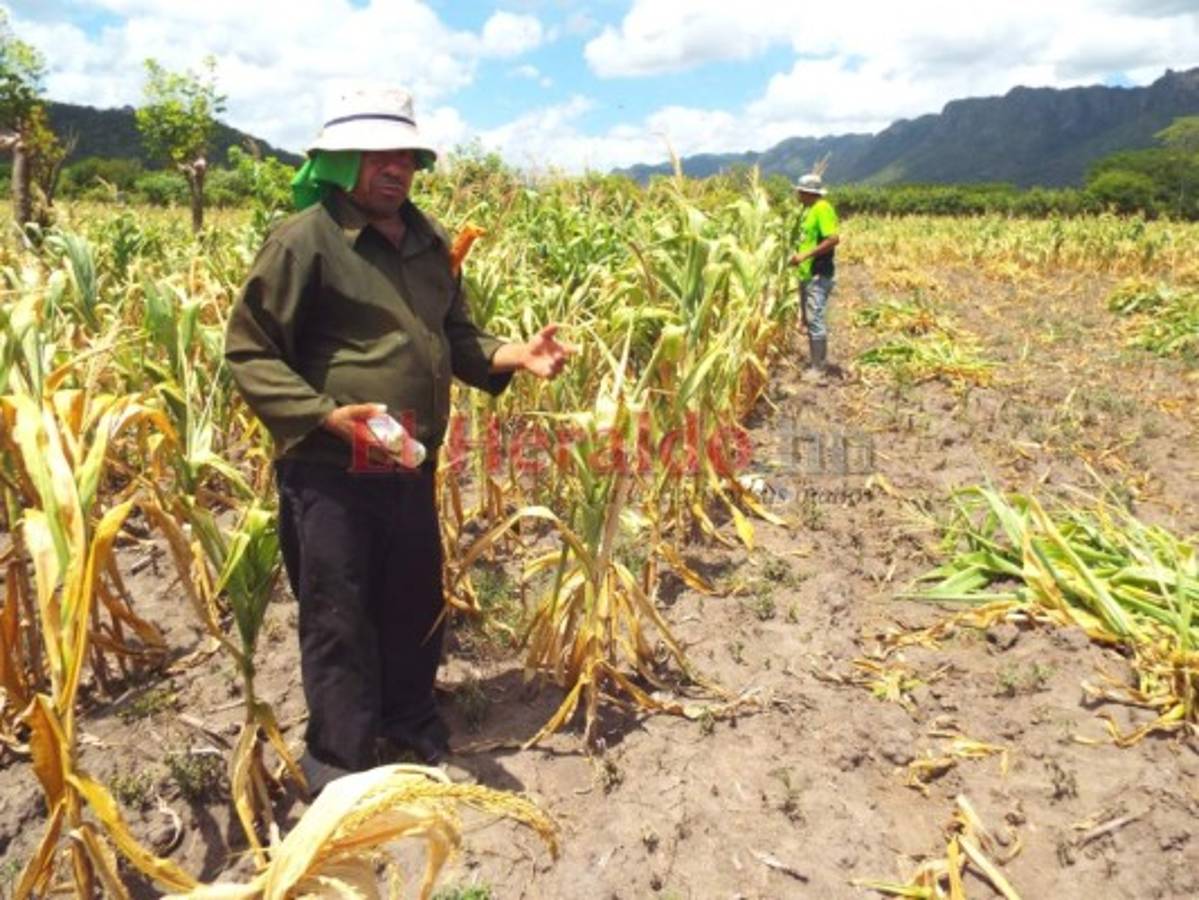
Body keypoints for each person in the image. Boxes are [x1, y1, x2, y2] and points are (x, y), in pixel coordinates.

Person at [224, 87, 572, 793]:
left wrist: (515, 356)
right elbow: (251, 351)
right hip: (331, 465)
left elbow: (455, 337)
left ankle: (411, 724)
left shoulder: (427, 240)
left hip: (409, 454)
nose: (395, 168)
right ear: (338, 162)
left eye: (405, 156)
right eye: (376, 156)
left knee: (414, 599)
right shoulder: (304, 241)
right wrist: (325, 416)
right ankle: (342, 762)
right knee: (338, 609)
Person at [789, 172, 840, 379]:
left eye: (799, 192)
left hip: (818, 273)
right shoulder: (808, 210)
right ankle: (815, 364)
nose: (797, 195)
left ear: (807, 192)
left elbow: (833, 238)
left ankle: (819, 369)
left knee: (815, 319)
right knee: (810, 320)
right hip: (807, 274)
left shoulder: (822, 209)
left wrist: (805, 255)